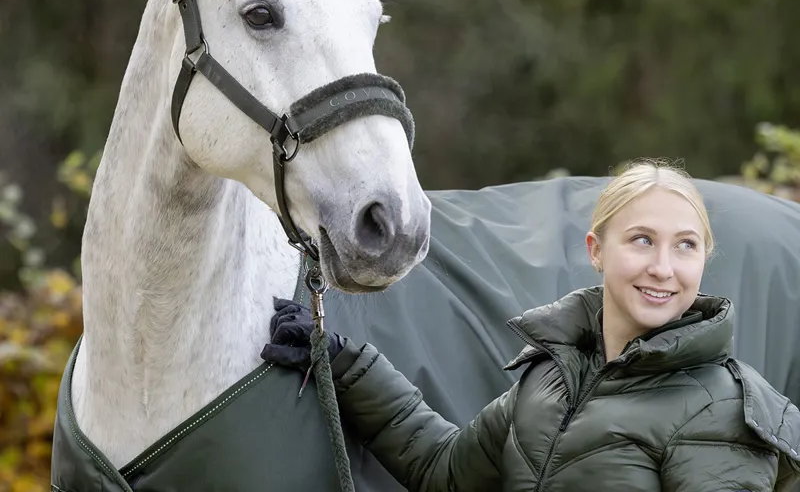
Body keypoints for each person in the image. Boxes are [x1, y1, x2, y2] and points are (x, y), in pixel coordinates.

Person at [262, 160, 800, 491]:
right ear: (596, 251)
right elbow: (445, 471)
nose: (663, 267)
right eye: (642, 240)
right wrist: (345, 363)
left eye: (685, 246)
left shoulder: (720, 411)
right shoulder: (551, 379)